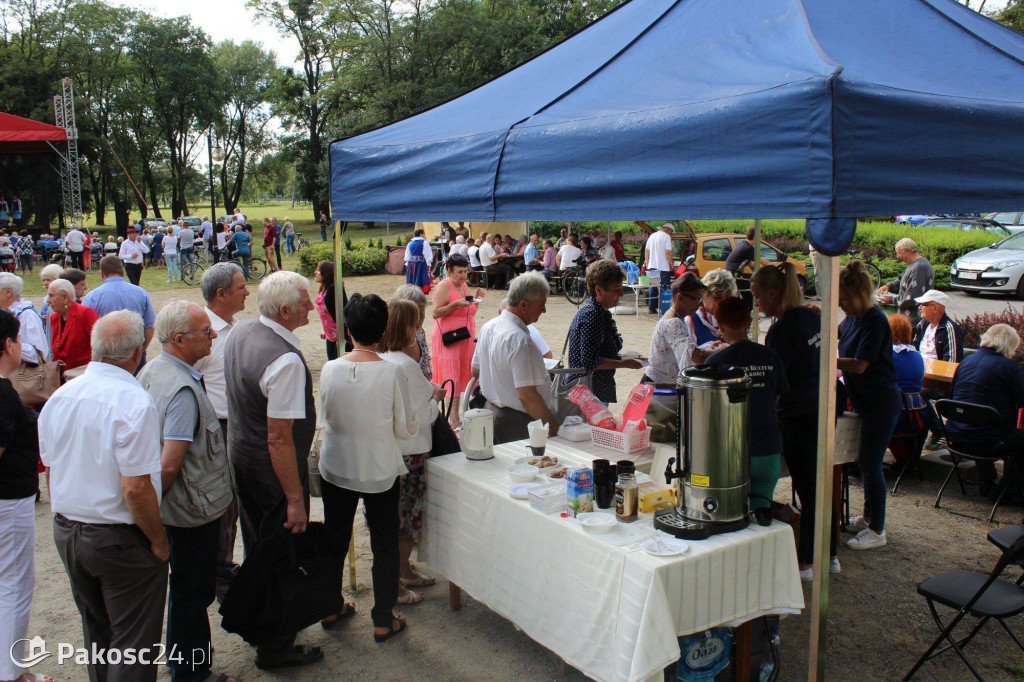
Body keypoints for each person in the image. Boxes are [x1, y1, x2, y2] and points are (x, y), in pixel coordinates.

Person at [40, 311, 168, 682]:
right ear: (137, 353)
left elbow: (52, 467)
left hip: (69, 529)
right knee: (133, 642)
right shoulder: (133, 401)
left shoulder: (61, 396)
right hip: (116, 537)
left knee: (97, 631)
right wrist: (158, 540)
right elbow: (135, 486)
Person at [223, 271, 322, 669]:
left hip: (244, 461)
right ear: (284, 311)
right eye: (304, 303)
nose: (312, 307)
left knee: (259, 549)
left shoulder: (243, 332)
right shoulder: (284, 359)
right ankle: (276, 646)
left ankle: (264, 624)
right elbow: (279, 437)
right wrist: (295, 499)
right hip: (272, 472)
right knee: (280, 555)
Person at [138, 300, 236, 682]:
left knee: (186, 593)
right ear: (179, 340)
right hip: (191, 513)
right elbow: (168, 464)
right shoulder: (180, 389)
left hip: (182, 508)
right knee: (191, 595)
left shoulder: (154, 371)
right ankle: (192, 673)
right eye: (205, 332)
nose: (213, 336)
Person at [319, 293, 416, 642]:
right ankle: (382, 616)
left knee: (335, 537)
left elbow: (324, 417)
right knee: (384, 543)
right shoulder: (389, 372)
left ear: (349, 329)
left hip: (338, 464)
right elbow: (405, 428)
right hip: (377, 467)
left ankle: (329, 604)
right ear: (383, 330)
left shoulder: (330, 369)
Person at [751, 262, 838, 580]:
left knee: (808, 487)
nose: (756, 305)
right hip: (822, 407)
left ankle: (805, 561)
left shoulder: (781, 330)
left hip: (798, 415)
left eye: (757, 297)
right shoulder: (809, 317)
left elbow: (775, 383)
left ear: (772, 294)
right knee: (819, 486)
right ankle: (829, 553)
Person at [379, 299, 446, 605]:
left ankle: (403, 570)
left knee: (396, 516)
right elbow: (425, 415)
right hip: (413, 450)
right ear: (405, 326)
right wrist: (434, 397)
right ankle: (397, 581)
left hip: (392, 450)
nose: (419, 328)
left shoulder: (383, 358)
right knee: (407, 520)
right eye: (415, 323)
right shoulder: (405, 363)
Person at [0, 309, 50, 682]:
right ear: (8, 345)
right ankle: (11, 673)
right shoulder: (1, 393)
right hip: (7, 501)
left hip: (10, 498)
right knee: (14, 585)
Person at [194, 263, 249, 601]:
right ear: (221, 294)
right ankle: (218, 572)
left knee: (236, 500)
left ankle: (224, 567)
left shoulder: (235, 327)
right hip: (218, 428)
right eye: (241, 286)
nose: (247, 291)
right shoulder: (201, 331)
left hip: (237, 424)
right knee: (223, 502)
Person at [838, 260, 902, 551]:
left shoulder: (875, 320)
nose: (842, 305)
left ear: (861, 295)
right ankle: (867, 517)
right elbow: (833, 334)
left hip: (881, 402)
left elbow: (860, 364)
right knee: (864, 462)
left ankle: (878, 529)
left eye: (845, 299)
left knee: (872, 464)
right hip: (864, 400)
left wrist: (827, 360)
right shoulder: (851, 318)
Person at [708, 296, 788, 510]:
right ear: (749, 321)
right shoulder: (770, 357)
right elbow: (777, 397)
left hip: (731, 450)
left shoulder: (715, 362)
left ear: (720, 325)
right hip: (767, 448)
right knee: (761, 512)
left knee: (729, 513)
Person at [472, 272, 559, 444]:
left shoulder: (489, 326)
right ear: (523, 305)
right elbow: (527, 396)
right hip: (516, 423)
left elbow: (476, 370)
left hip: (493, 413)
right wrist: (553, 427)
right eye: (541, 304)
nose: (544, 310)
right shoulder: (520, 340)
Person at [944, 324, 1024, 497]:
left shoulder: (966, 361)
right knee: (1000, 430)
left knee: (980, 421)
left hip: (956, 436)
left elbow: (951, 397)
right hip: (988, 442)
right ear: (1009, 346)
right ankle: (1009, 491)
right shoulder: (1009, 367)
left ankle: (986, 482)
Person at [568, 260, 644, 404]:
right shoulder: (592, 315)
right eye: (616, 289)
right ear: (598, 290)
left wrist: (621, 358)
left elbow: (598, 353)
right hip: (589, 395)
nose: (621, 294)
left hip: (594, 391)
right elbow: (590, 362)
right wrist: (625, 363)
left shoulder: (599, 311)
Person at [431, 254, 484, 428]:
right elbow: (436, 313)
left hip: (465, 338)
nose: (463, 276)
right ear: (449, 271)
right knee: (451, 377)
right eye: (459, 272)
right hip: (450, 339)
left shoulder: (464, 286)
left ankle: (457, 417)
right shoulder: (444, 286)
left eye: (465, 272)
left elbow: (470, 312)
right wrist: (454, 305)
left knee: (462, 376)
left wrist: (477, 300)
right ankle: (453, 420)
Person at [82, 255, 158, 367]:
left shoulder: (92, 297)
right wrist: (141, 349)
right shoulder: (141, 293)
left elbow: (85, 329)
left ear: (101, 274)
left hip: (107, 355)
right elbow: (149, 326)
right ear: (122, 272)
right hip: (134, 350)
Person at [644, 273, 709, 383]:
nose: (700, 305)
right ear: (680, 297)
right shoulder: (673, 322)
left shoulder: (678, 318)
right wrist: (722, 351)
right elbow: (695, 356)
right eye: (697, 299)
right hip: (659, 387)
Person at [887, 313, 930, 472]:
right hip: (916, 417)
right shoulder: (917, 356)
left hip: (897, 417)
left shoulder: (887, 355)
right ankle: (910, 460)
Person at [876, 238, 933, 326]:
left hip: (914, 322)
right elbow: (901, 280)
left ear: (909, 251)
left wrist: (890, 300)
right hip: (909, 321)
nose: (898, 256)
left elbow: (911, 299)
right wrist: (889, 286)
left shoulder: (919, 268)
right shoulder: (914, 265)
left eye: (899, 253)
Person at [47, 279, 99, 370]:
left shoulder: (85, 313)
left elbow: (100, 344)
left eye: (51, 296)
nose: (48, 301)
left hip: (83, 374)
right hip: (61, 377)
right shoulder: (54, 317)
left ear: (65, 297)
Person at [0, 273, 46, 367]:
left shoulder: (27, 315)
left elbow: (36, 355)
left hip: (24, 377)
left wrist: (7, 343)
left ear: (8, 292)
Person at [686, 268, 737, 351]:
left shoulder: (734, 319)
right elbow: (687, 358)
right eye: (717, 298)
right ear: (704, 294)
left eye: (727, 299)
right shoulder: (691, 321)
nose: (722, 304)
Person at [912, 290, 963, 363]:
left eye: (923, 304)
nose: (919, 307)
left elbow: (951, 362)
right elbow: (913, 350)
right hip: (919, 370)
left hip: (937, 373)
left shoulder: (949, 328)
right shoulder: (922, 324)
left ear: (935, 308)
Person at [392, 285, 432, 379]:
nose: (417, 319)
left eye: (421, 313)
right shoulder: (391, 339)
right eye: (412, 314)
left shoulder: (420, 333)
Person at [643, 222, 674, 314]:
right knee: (664, 288)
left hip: (652, 266)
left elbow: (646, 250)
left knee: (653, 286)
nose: (671, 233)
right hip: (663, 267)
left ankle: (651, 308)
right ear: (668, 229)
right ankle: (664, 309)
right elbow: (668, 252)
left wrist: (647, 263)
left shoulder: (652, 236)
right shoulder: (666, 237)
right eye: (671, 231)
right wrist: (671, 263)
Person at [314, 260, 342, 361]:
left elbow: (341, 311)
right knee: (331, 360)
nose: (315, 273)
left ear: (326, 273)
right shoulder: (323, 288)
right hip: (330, 334)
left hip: (339, 334)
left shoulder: (333, 289)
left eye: (318, 270)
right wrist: (325, 329)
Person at [404, 228, 433, 293]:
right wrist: (429, 264)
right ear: (420, 234)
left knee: (412, 279)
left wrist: (407, 264)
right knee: (420, 279)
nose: (424, 235)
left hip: (411, 264)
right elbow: (427, 254)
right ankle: (419, 294)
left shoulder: (410, 243)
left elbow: (407, 255)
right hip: (420, 264)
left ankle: (413, 293)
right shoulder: (424, 242)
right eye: (423, 233)